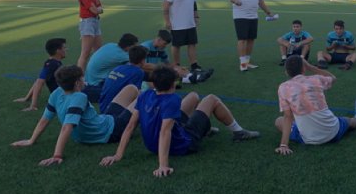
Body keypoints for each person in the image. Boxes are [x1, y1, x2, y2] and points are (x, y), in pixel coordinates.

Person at [99, 65, 260, 177]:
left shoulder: (144, 95)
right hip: (184, 144)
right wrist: (163, 164)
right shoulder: (172, 100)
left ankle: (205, 129)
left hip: (156, 144)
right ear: (173, 85)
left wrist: (118, 155)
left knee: (193, 96)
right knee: (211, 99)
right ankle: (238, 132)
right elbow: (165, 131)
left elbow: (130, 127)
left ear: (154, 84)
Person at [10, 65, 138, 166]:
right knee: (142, 96)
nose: (84, 81)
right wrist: (57, 155)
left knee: (131, 88)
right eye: (82, 78)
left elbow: (44, 120)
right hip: (112, 131)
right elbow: (67, 127)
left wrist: (31, 140)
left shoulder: (56, 93)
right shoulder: (79, 97)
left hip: (103, 122)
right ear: (77, 83)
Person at [274, 56, 356, 154]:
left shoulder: (283, 88)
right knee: (350, 121)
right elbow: (333, 78)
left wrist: (283, 145)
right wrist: (311, 67)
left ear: (286, 72)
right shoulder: (315, 79)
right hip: (333, 132)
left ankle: (301, 125)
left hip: (308, 139)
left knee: (279, 121)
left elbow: (288, 116)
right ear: (304, 68)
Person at [230, 0, 276, 72]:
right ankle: (243, 64)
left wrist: (268, 12)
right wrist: (237, 2)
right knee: (242, 39)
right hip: (241, 15)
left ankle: (247, 61)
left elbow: (260, 0)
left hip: (253, 15)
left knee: (251, 39)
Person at [163, 0, 202, 73]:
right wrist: (167, 21)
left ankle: (194, 65)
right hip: (177, 24)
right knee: (176, 45)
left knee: (192, 44)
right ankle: (176, 65)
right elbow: (166, 7)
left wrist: (196, 17)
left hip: (190, 23)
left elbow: (193, 4)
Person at [140, 30, 210, 86]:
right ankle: (193, 78)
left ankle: (193, 76)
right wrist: (164, 68)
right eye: (164, 44)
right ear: (159, 39)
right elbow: (143, 65)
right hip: (142, 72)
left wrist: (178, 68)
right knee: (165, 73)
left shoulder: (161, 50)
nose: (165, 46)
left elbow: (168, 64)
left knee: (173, 69)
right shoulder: (145, 47)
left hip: (151, 71)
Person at [13, 38, 67, 112]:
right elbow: (39, 82)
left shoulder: (52, 63)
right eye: (64, 48)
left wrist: (27, 98)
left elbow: (39, 80)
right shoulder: (52, 65)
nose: (66, 49)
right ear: (58, 51)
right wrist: (33, 105)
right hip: (64, 97)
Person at [83, 33, 139, 103]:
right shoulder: (120, 55)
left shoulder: (111, 45)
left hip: (88, 80)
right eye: (134, 47)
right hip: (96, 85)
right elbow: (140, 64)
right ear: (128, 46)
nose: (136, 49)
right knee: (126, 93)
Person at [98, 45, 147, 112]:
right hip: (113, 110)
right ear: (143, 61)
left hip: (102, 106)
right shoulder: (138, 72)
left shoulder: (118, 67)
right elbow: (135, 94)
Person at [77, 0, 104, 69]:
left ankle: (95, 72)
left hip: (95, 22)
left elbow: (99, 8)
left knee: (99, 51)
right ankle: (78, 76)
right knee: (85, 53)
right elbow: (95, 10)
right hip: (87, 23)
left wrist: (98, 10)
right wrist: (98, 10)